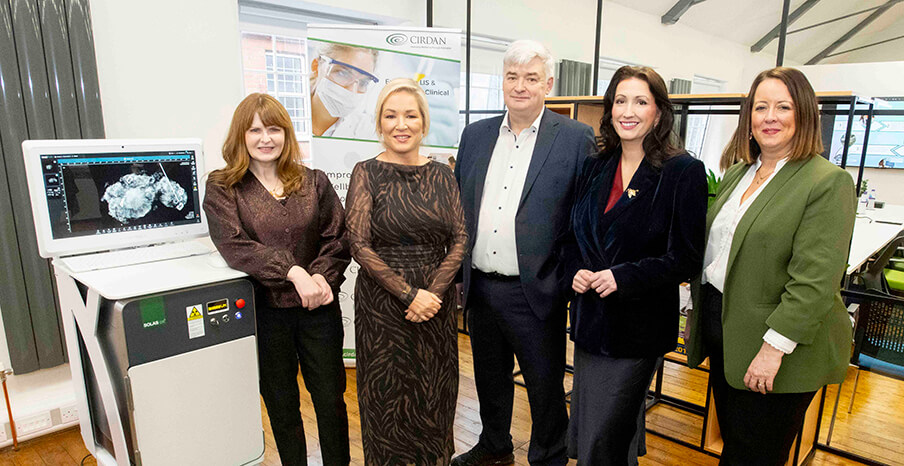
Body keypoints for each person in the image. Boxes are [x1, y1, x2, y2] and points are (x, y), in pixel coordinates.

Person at [686, 67, 856, 465]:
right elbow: (718, 254)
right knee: (736, 442)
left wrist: (772, 351)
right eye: (760, 106)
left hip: (776, 347)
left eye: (783, 106)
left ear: (805, 115)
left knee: (754, 455)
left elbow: (813, 283)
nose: (770, 116)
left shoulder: (826, 181)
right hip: (725, 331)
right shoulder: (739, 173)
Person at [452, 40, 596, 466]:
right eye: (512, 77)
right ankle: (495, 445)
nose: (520, 86)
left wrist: (562, 278)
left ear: (548, 83)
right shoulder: (475, 135)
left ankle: (549, 454)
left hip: (536, 289)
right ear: (502, 81)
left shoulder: (575, 138)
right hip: (480, 287)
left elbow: (582, 217)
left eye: (531, 78)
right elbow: (461, 206)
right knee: (489, 378)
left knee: (543, 383)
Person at [565, 66, 707, 465]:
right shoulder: (595, 165)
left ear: (659, 113)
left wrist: (622, 277)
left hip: (637, 330)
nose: (629, 110)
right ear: (609, 109)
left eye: (641, 101)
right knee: (601, 427)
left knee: (603, 437)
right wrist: (575, 267)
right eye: (621, 100)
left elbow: (686, 257)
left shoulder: (683, 172)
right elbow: (573, 235)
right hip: (591, 322)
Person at [203, 93, 351, 466]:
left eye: (273, 129)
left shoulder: (313, 181)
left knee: (331, 400)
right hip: (265, 315)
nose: (265, 138)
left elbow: (338, 237)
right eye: (255, 130)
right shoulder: (223, 187)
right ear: (241, 136)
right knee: (282, 403)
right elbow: (234, 245)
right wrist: (293, 271)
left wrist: (320, 278)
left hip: (319, 309)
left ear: (286, 134)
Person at [345, 78, 467, 465]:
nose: (402, 124)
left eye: (410, 115)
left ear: (424, 123)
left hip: (438, 304)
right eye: (391, 115)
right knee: (386, 398)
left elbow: (461, 237)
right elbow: (359, 244)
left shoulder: (444, 175)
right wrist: (409, 294)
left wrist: (433, 293)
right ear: (379, 123)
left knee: (435, 393)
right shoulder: (365, 173)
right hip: (384, 308)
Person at [310, 43, 379, 138]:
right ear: (316, 66)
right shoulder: (289, 111)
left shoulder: (367, 131)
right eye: (343, 74)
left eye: (363, 83)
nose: (352, 90)